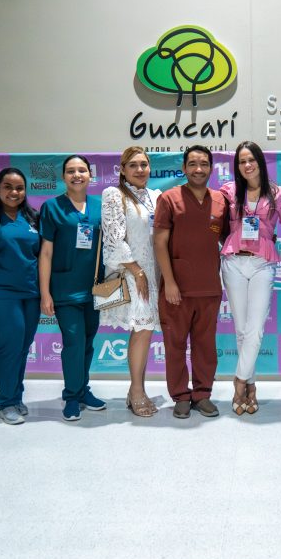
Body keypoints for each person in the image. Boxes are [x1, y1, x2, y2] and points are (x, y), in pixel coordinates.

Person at [153, 145, 228, 420]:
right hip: (177, 289)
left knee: (205, 345)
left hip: (209, 286)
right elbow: (159, 242)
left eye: (204, 164)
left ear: (211, 168)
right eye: (193, 164)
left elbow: (228, 238)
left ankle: (202, 394)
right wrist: (170, 282)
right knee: (175, 345)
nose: (198, 169)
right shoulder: (169, 198)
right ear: (184, 168)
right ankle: (180, 396)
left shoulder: (220, 200)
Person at [220, 141, 281, 414]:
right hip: (233, 263)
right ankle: (250, 387)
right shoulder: (228, 192)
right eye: (242, 161)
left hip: (262, 264)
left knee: (255, 329)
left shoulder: (278, 193)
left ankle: (239, 381)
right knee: (241, 330)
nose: (247, 165)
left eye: (251, 160)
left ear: (260, 162)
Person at [39, 154, 105, 421]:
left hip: (96, 288)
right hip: (65, 288)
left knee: (88, 342)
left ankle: (82, 390)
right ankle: (71, 396)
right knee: (74, 342)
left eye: (82, 170)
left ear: (90, 175)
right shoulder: (52, 207)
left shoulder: (100, 206)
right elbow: (45, 253)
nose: (77, 175)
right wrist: (45, 293)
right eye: (70, 171)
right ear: (63, 176)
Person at [100, 146, 162, 417]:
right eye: (133, 165)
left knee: (145, 333)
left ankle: (136, 389)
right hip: (131, 274)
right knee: (142, 331)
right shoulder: (114, 194)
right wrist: (137, 272)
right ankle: (137, 391)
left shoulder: (155, 197)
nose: (139, 169)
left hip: (153, 274)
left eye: (144, 164)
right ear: (122, 170)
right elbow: (114, 240)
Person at [0, 168, 41, 425]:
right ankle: (6, 402)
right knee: (8, 346)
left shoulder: (33, 218)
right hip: (0, 291)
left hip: (31, 291)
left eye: (19, 188)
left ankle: (16, 396)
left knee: (24, 346)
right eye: (7, 187)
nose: (14, 192)